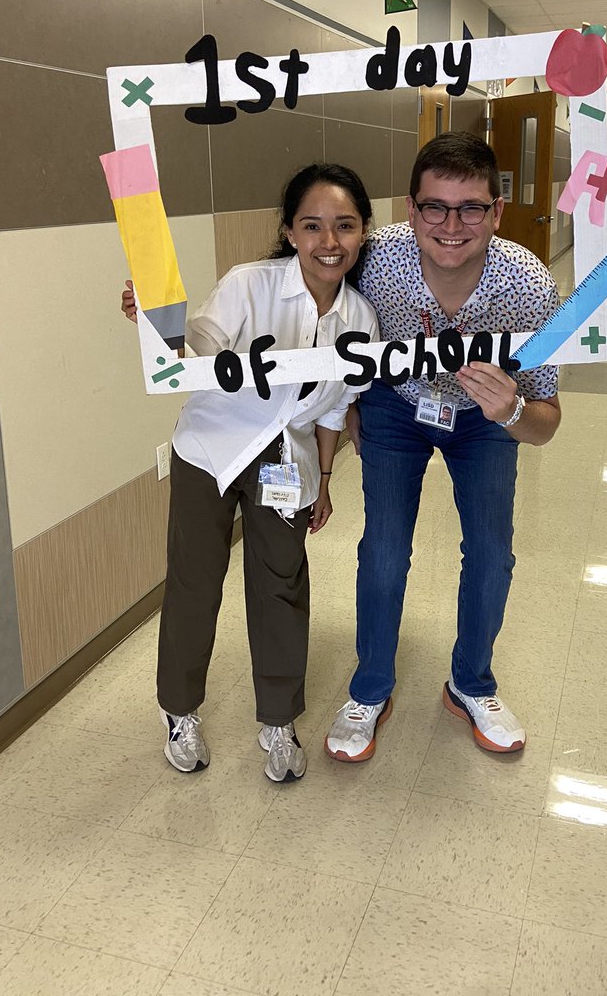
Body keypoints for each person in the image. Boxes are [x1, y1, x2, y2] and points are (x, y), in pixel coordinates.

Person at [122, 164, 378, 783]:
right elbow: (196, 355)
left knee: (282, 586)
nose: (329, 241)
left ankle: (278, 721)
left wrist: (322, 479)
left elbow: (335, 410)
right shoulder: (249, 284)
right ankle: (179, 711)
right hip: (209, 451)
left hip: (286, 463)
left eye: (344, 226)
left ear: (363, 232)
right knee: (193, 584)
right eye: (312, 225)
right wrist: (154, 327)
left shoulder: (361, 320)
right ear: (289, 231)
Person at [325, 132, 561, 762]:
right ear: (411, 208)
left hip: (487, 420)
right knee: (382, 549)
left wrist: (509, 407)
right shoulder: (378, 261)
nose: (451, 225)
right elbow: (293, 290)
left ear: (497, 211)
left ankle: (470, 684)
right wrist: (162, 317)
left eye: (471, 208)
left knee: (491, 554)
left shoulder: (529, 287)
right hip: (396, 405)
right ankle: (370, 688)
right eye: (435, 206)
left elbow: (546, 422)